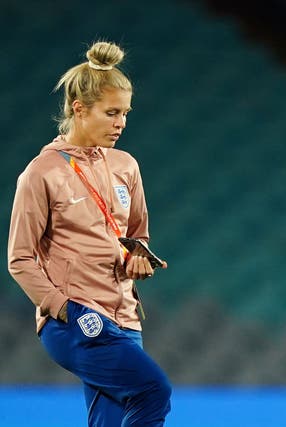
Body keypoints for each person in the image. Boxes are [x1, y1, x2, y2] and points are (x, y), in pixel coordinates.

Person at [7, 41, 172, 426]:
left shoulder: (126, 165)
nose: (122, 123)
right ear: (79, 110)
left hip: (126, 317)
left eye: (126, 113)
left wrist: (138, 257)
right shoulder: (41, 173)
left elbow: (137, 234)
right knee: (153, 391)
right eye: (111, 113)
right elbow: (19, 259)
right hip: (77, 319)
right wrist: (64, 308)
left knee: (109, 419)